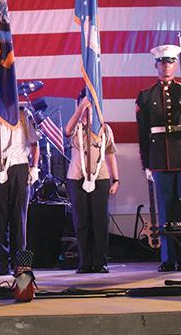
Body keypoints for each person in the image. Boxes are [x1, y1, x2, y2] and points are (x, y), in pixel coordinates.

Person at [135, 44, 181, 272]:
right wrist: (146, 164)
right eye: (162, 62)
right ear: (156, 65)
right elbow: (143, 133)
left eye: (171, 62)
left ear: (175, 65)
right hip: (159, 159)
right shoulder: (146, 96)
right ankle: (168, 258)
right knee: (165, 209)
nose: (166, 66)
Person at [64, 90, 119, 273]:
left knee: (100, 221)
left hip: (100, 178)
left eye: (91, 105)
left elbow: (110, 154)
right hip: (77, 178)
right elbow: (67, 131)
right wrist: (81, 107)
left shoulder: (104, 128)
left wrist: (116, 179)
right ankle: (85, 262)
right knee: (82, 222)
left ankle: (100, 261)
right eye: (84, 104)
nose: (88, 109)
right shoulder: (76, 127)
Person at [0, 107, 39, 276]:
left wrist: (34, 167)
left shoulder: (23, 114)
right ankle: (2, 264)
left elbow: (34, 143)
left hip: (19, 165)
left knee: (20, 219)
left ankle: (22, 265)